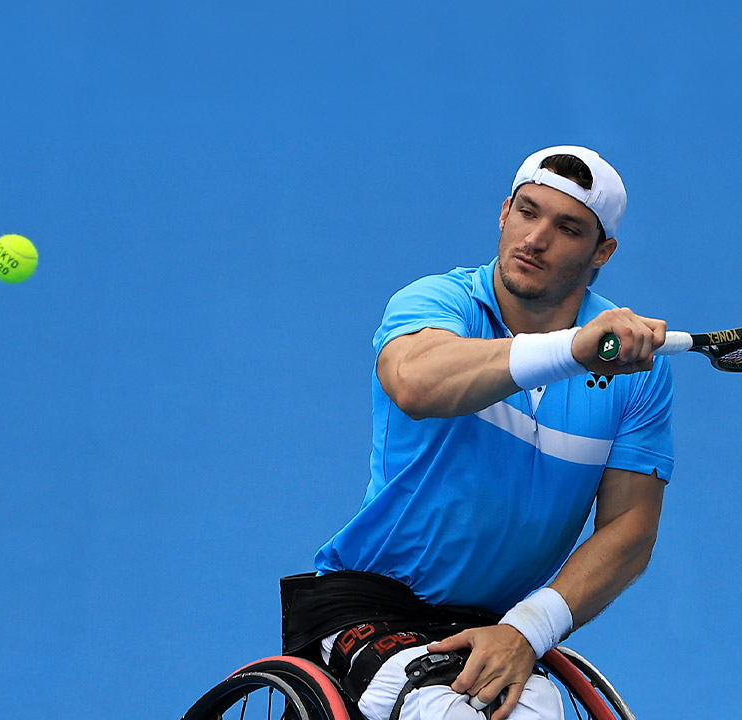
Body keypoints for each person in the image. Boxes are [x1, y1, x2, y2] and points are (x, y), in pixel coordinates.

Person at [280, 145, 674, 720]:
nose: (535, 239)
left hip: (495, 629)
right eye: (527, 212)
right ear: (504, 213)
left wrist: (527, 630)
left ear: (602, 252)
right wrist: (572, 350)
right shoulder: (439, 303)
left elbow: (631, 530)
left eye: (566, 228)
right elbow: (415, 382)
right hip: (369, 605)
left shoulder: (637, 374)